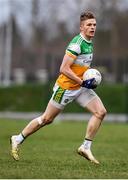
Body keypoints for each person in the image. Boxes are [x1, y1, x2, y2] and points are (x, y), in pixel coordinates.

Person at [10, 11, 107, 164]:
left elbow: (79, 67)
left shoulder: (89, 42)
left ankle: (85, 147)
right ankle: (18, 138)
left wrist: (88, 77)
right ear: (81, 27)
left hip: (81, 88)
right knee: (46, 119)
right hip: (65, 88)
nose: (92, 27)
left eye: (94, 25)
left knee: (100, 112)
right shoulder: (77, 44)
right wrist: (80, 81)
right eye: (89, 25)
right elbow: (64, 68)